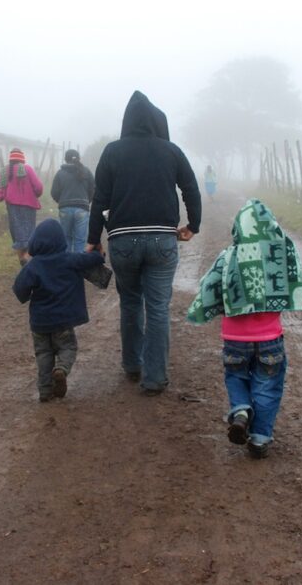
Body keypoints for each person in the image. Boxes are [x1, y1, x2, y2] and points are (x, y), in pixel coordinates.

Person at [87, 90, 202, 395]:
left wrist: (92, 240)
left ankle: (132, 365)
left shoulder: (112, 152)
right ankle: (154, 378)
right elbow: (191, 188)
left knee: (130, 303)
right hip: (162, 240)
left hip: (122, 241)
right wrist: (193, 225)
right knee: (158, 307)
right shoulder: (171, 151)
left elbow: (99, 199)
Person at [186, 198, 302, 458]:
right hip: (270, 337)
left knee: (236, 376)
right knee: (268, 385)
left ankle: (240, 410)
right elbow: (296, 277)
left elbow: (210, 284)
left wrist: (201, 309)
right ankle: (260, 438)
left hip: (234, 338)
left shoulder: (229, 255)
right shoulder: (282, 252)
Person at [13, 218, 106, 402]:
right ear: (61, 240)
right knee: (68, 347)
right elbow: (93, 258)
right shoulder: (70, 259)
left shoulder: (33, 266)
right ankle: (62, 369)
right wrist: (98, 253)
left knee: (43, 355)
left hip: (40, 323)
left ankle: (45, 391)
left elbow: (19, 290)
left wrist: (27, 295)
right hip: (63, 321)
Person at [0, 148, 44, 265]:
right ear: (22, 159)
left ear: (11, 159)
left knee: (18, 235)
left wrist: (2, 195)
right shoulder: (27, 169)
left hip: (12, 207)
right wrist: (35, 194)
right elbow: (38, 187)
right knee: (29, 233)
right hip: (29, 206)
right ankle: (29, 261)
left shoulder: (5, 171)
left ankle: (22, 262)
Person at [50, 148, 95, 253]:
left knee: (66, 240)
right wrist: (86, 201)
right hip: (82, 209)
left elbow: (54, 192)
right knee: (80, 241)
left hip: (65, 209)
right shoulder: (87, 171)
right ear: (79, 158)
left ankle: (67, 267)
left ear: (65, 159)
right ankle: (78, 267)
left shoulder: (60, 173)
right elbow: (93, 189)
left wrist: (62, 201)